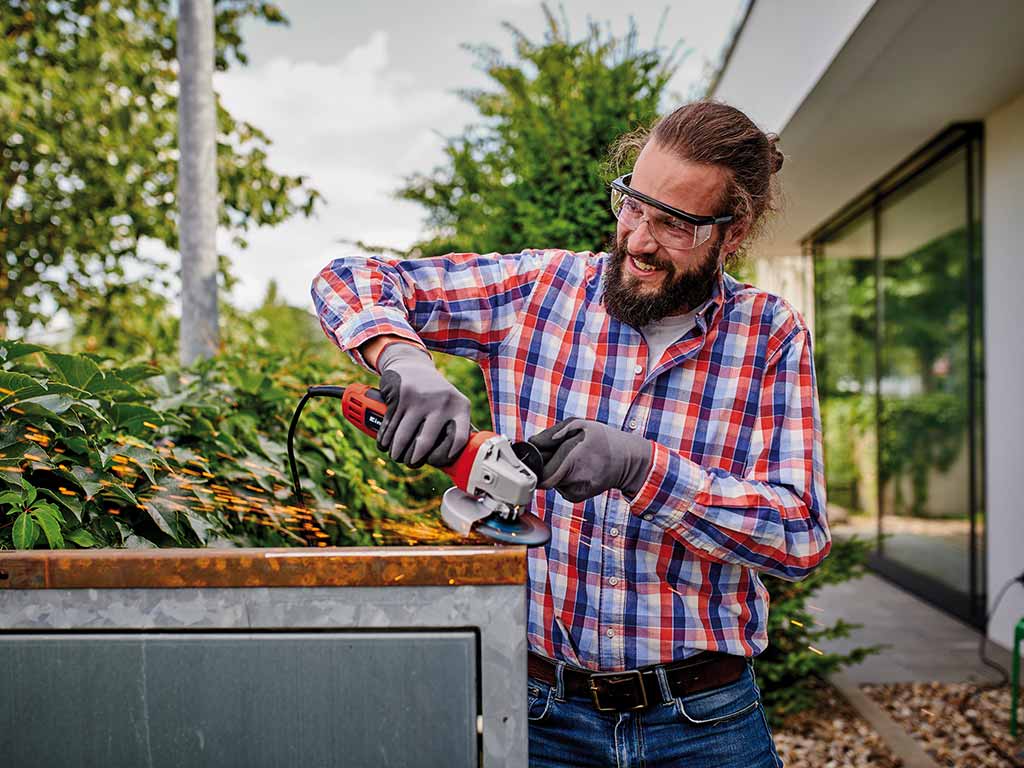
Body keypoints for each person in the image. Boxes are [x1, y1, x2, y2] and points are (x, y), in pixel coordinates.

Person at [311, 100, 830, 767]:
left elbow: (799, 537)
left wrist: (645, 470)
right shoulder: (539, 290)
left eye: (673, 224)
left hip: (705, 723)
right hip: (541, 715)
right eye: (633, 205)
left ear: (733, 234)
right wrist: (401, 356)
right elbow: (346, 279)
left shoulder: (769, 335)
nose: (639, 240)